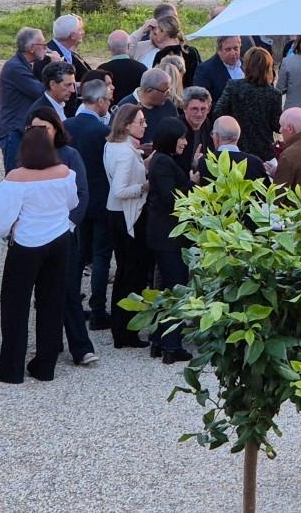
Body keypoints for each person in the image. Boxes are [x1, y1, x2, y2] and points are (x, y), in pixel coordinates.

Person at [0, 128, 77, 384]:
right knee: (51, 303)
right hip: (59, 240)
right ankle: (45, 367)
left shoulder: (16, 177)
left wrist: (5, 232)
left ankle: (11, 367)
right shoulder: (66, 173)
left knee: (15, 305)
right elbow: (72, 203)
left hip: (27, 244)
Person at [26, 108, 97, 368]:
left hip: (64, 234)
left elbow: (81, 194)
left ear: (56, 128)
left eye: (45, 128)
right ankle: (51, 343)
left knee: (67, 289)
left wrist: (67, 225)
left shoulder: (69, 155)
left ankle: (81, 347)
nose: (41, 133)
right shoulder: (26, 156)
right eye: (35, 129)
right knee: (42, 291)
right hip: (35, 234)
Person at [64, 79, 114, 331]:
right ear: (100, 101)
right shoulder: (103, 132)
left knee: (78, 255)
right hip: (102, 200)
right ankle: (98, 309)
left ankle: (70, 305)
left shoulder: (66, 126)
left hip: (75, 201)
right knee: (101, 256)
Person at [145, 118, 193, 364]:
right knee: (176, 287)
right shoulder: (163, 162)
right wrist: (192, 187)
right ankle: (172, 345)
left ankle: (158, 339)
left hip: (163, 235)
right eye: (181, 137)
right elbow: (171, 200)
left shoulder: (161, 160)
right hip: (168, 237)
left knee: (165, 288)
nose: (185, 142)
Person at [104, 105, 150, 349]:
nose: (144, 125)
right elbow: (120, 190)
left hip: (117, 214)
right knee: (129, 275)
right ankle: (125, 331)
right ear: (125, 125)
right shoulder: (124, 153)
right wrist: (144, 187)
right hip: (126, 216)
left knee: (124, 273)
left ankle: (121, 329)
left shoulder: (113, 146)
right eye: (140, 122)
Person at [0, 27, 55, 170]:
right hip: (13, 131)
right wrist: (54, 67)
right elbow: (40, 92)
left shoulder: (24, 65)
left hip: (18, 129)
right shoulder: (15, 68)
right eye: (42, 43)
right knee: (16, 173)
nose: (46, 47)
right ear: (32, 48)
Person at [215, 47, 283, 161]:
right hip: (264, 151)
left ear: (246, 66)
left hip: (236, 147)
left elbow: (218, 112)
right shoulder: (274, 94)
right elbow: (277, 125)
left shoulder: (233, 87)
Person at [34, 14, 92, 107]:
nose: (83, 32)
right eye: (80, 29)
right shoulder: (46, 57)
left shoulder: (70, 52)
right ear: (72, 36)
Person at [131, 13, 201, 84]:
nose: (152, 35)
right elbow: (125, 47)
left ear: (162, 33)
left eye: (154, 32)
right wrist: (141, 30)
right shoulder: (191, 51)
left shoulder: (161, 54)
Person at [196, 116, 267, 184]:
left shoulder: (206, 162)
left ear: (216, 137)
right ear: (238, 136)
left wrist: (195, 165)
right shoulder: (255, 163)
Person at [117, 69, 179, 144]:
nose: (169, 94)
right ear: (149, 90)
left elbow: (177, 133)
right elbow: (115, 140)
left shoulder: (168, 105)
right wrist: (138, 150)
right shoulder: (124, 108)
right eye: (165, 91)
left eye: (169, 90)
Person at [192, 35, 243, 108]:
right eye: (228, 49)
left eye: (236, 48)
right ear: (219, 50)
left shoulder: (246, 64)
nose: (233, 53)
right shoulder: (205, 70)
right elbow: (201, 100)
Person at [100, 29, 147, 104]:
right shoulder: (141, 68)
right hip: (135, 112)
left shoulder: (102, 70)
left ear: (109, 47)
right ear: (128, 46)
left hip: (110, 112)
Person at [26, 61, 77, 125]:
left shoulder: (62, 103)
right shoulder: (41, 114)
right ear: (52, 84)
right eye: (68, 85)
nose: (73, 90)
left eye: (73, 84)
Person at [178, 86, 212, 176]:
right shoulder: (176, 129)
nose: (199, 114)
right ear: (184, 108)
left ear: (209, 109)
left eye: (203, 109)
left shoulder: (207, 125)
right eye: (194, 109)